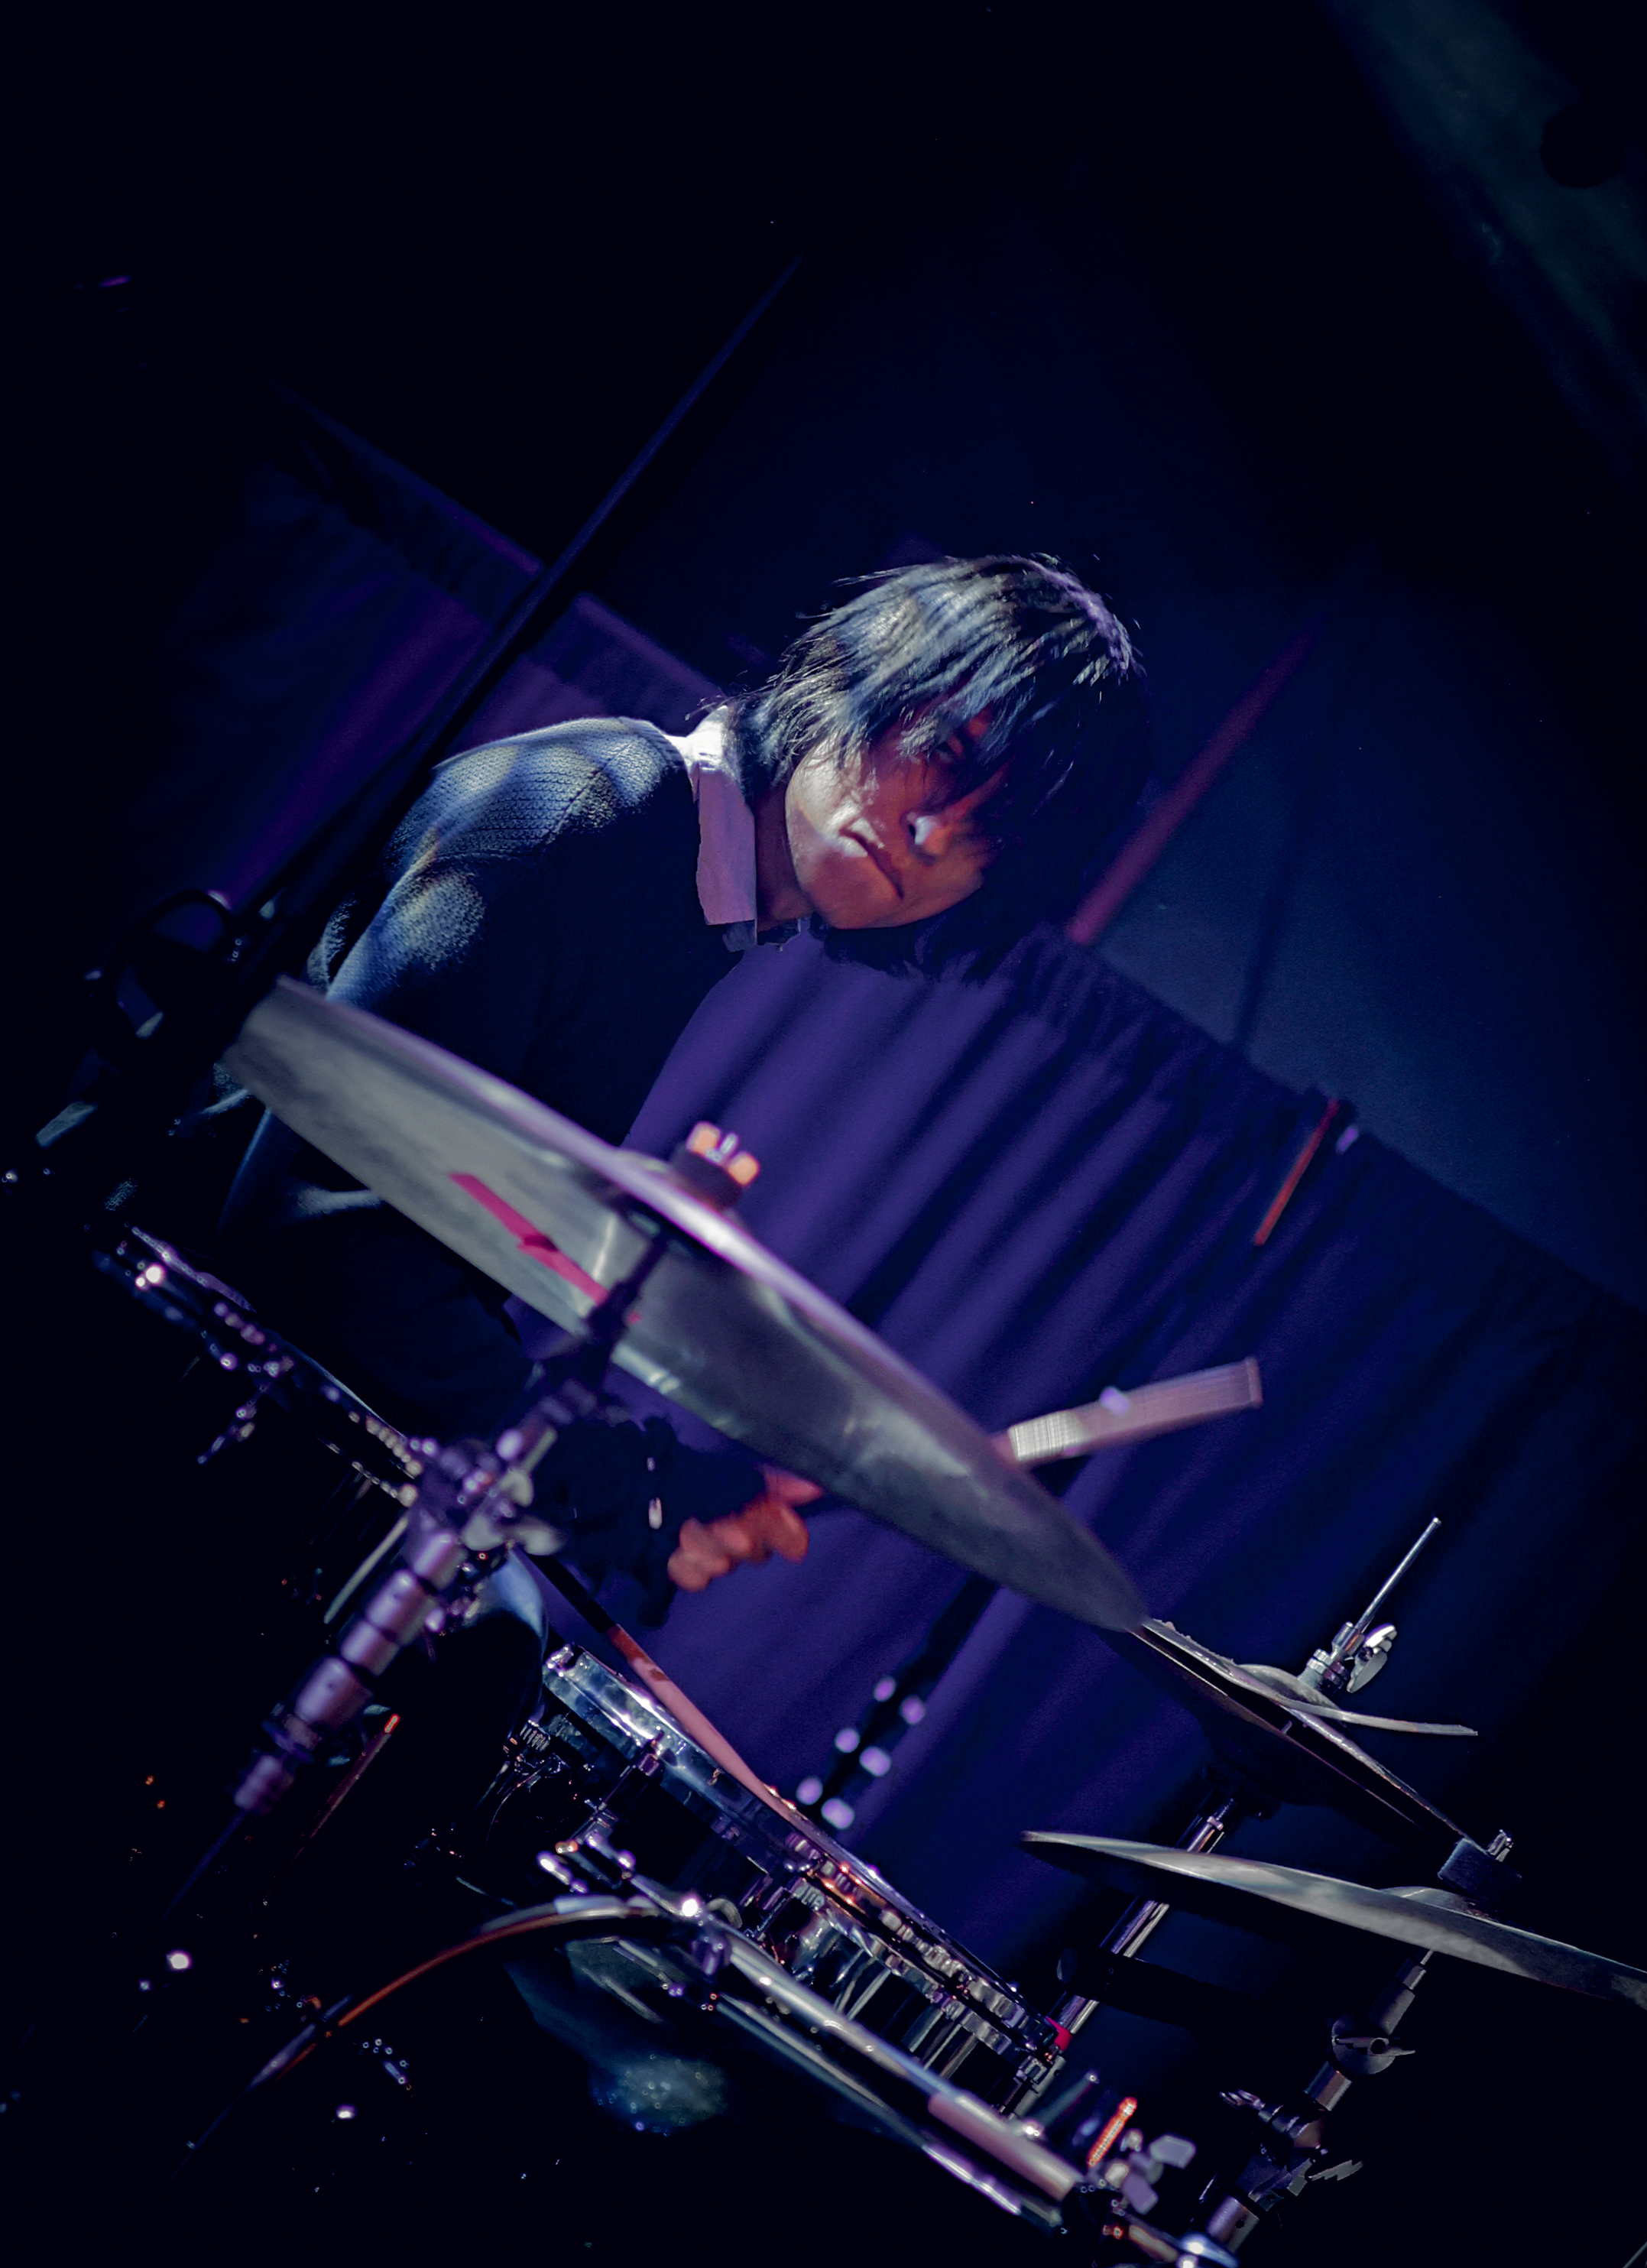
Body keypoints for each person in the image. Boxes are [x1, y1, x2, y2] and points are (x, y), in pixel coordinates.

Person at [220, 553, 1152, 1611]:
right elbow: (316, 1229)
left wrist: (659, 1486)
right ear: (857, 672)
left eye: (992, 832)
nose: (932, 833)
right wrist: (624, 1487)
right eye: (942, 753)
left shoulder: (689, 896)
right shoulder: (582, 822)